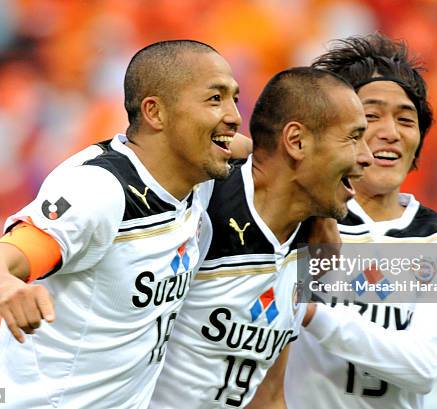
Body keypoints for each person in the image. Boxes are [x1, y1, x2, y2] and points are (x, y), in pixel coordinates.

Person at [0, 40, 241, 409]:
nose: (235, 115)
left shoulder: (196, 176)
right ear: (155, 113)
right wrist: (7, 289)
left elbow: (257, 153)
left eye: (234, 98)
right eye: (215, 99)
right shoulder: (99, 192)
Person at [149, 67, 372, 409]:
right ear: (296, 141)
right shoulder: (204, 200)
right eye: (354, 137)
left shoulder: (309, 242)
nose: (366, 157)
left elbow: (267, 397)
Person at [284, 33, 437, 409]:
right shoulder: (290, 219)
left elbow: (425, 366)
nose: (390, 133)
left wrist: (312, 312)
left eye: (406, 120)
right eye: (370, 115)